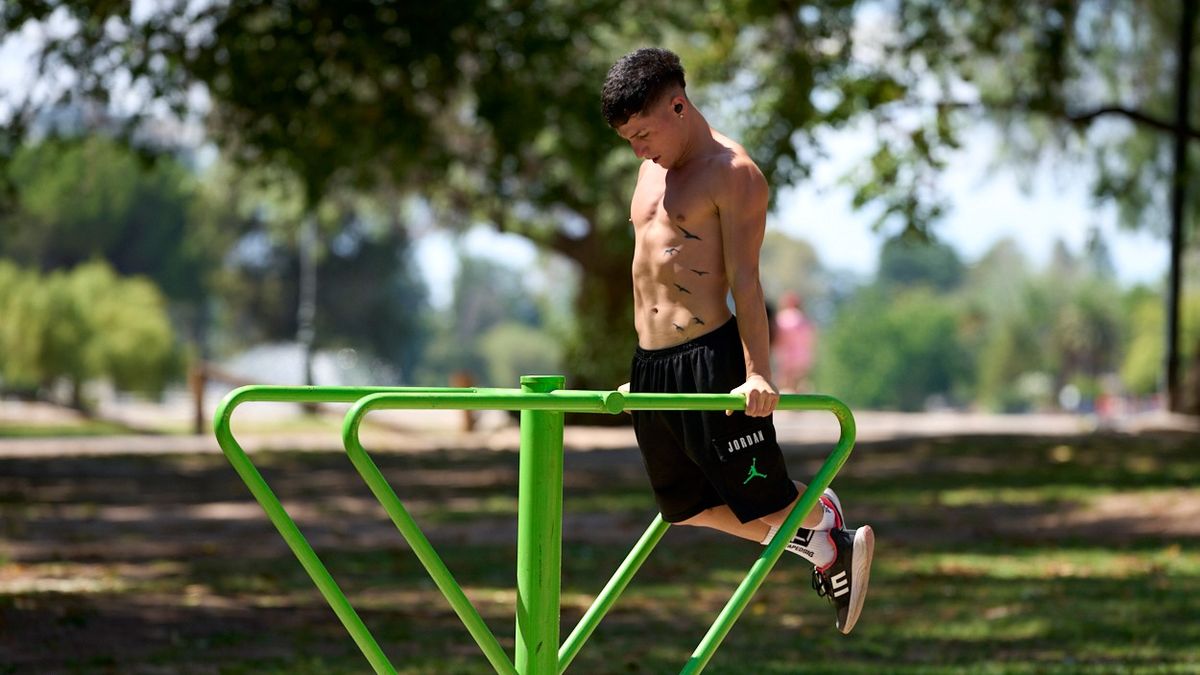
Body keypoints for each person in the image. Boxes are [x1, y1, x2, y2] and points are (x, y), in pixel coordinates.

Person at [603, 47, 874, 634]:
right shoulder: (651, 169)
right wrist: (648, 371)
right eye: (628, 138)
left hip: (709, 357)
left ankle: (813, 509)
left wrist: (757, 371)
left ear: (679, 104)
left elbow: (747, 283)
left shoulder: (735, 175)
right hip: (652, 364)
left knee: (766, 500)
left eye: (643, 133)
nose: (638, 149)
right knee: (684, 509)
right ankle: (825, 542)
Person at [773, 291, 817, 393]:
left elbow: (778, 337)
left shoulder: (782, 317)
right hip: (802, 355)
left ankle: (786, 403)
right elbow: (811, 338)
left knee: (786, 381)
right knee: (799, 381)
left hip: (786, 355)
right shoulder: (804, 319)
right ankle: (798, 402)